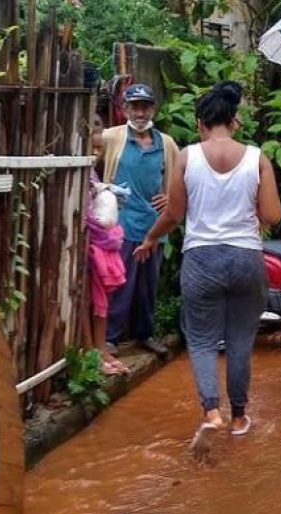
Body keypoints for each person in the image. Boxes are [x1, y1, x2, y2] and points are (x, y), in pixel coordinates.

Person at [134, 81, 281, 459]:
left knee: (200, 341)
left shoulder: (186, 156)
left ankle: (212, 413)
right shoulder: (257, 157)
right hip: (246, 257)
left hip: (201, 259)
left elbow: (174, 214)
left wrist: (150, 239)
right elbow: (272, 216)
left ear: (201, 122)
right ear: (233, 120)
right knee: (239, 342)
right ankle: (239, 419)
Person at [99, 83, 180, 359]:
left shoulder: (166, 143)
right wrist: (101, 192)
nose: (140, 112)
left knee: (148, 284)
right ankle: (111, 338)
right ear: (125, 109)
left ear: (153, 109)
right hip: (122, 224)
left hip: (153, 225)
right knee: (120, 281)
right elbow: (89, 163)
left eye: (145, 106)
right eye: (135, 106)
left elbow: (181, 177)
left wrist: (170, 196)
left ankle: (145, 334)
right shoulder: (111, 137)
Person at [82, 116, 129, 375]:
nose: (95, 153)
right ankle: (92, 352)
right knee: (88, 301)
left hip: (102, 244)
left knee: (102, 301)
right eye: (93, 147)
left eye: (99, 149)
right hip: (88, 246)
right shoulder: (79, 172)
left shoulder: (92, 172)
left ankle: (100, 348)